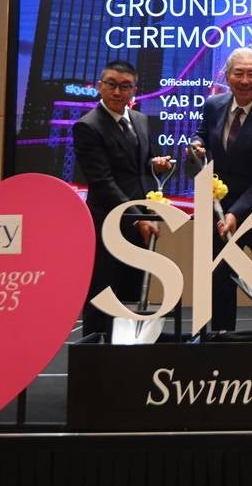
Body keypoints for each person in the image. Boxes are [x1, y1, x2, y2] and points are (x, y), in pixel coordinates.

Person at [189, 48, 252, 331]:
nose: (245, 80)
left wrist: (235, 213)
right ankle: (223, 348)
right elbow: (203, 133)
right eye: (239, 73)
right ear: (227, 76)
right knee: (220, 282)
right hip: (220, 213)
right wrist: (197, 144)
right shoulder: (213, 105)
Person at [73, 60, 172, 338]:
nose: (117, 92)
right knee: (103, 292)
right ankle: (93, 358)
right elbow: (103, 182)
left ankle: (125, 356)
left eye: (125, 86)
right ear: (100, 87)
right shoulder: (88, 127)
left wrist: (156, 164)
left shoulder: (139, 120)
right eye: (112, 85)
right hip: (108, 223)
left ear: (134, 90)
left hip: (139, 220)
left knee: (131, 292)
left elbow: (138, 167)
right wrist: (137, 217)